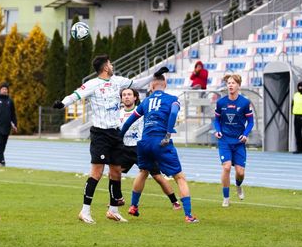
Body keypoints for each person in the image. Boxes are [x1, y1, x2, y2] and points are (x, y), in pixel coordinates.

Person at [53, 54, 168, 224]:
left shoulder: (118, 81)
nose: (112, 66)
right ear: (106, 67)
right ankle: (85, 211)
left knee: (116, 171)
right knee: (97, 172)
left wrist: (154, 75)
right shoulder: (92, 84)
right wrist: (62, 103)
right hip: (100, 134)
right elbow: (75, 95)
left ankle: (113, 211)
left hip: (116, 133)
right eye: (110, 63)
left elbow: (136, 83)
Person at [120, 74, 199, 223]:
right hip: (161, 141)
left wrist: (120, 137)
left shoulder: (146, 101)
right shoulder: (172, 99)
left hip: (144, 142)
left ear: (151, 85)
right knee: (179, 177)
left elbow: (129, 121)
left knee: (143, 172)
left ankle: (133, 206)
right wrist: (168, 133)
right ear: (165, 84)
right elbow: (174, 113)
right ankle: (188, 215)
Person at [117, 87, 181, 217]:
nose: (126, 97)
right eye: (124, 95)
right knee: (114, 172)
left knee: (156, 176)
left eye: (129, 94)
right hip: (125, 148)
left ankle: (174, 201)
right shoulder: (118, 113)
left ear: (135, 97)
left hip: (139, 147)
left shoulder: (142, 109)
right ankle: (117, 198)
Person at [214, 74, 254, 207]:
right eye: (229, 83)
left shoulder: (245, 103)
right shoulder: (221, 102)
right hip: (225, 140)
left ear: (238, 86)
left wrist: (245, 134)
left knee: (240, 173)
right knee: (226, 167)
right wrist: (218, 130)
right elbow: (216, 120)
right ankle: (226, 198)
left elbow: (251, 122)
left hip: (238, 142)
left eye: (233, 83)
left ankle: (238, 185)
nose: (230, 85)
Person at [0, 82, 18, 166]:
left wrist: (15, 124)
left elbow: (13, 114)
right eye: (3, 89)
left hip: (7, 126)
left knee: (3, 144)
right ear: (0, 89)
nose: (4, 90)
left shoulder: (10, 101)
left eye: (6, 89)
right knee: (0, 142)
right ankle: (2, 161)